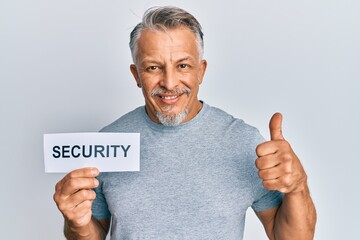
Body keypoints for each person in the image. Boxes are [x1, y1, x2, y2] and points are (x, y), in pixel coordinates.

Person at [53, 6, 316, 240]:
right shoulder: (107, 144)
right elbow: (91, 235)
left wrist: (297, 186)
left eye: (182, 66)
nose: (169, 83)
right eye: (153, 68)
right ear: (136, 74)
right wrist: (76, 224)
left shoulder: (243, 142)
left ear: (201, 71)